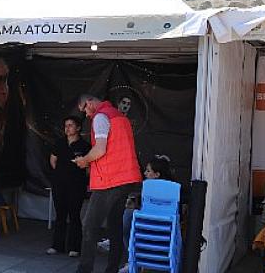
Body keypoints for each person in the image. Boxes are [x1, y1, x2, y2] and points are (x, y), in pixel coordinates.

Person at [73, 94, 143, 273]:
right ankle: (112, 269)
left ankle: (84, 270)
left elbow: (100, 149)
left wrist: (85, 160)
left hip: (110, 180)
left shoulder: (100, 117)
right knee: (115, 225)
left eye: (84, 110)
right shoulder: (120, 117)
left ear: (89, 103)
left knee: (89, 225)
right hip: (125, 179)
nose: (86, 115)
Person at [118, 155, 175, 273]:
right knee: (128, 214)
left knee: (128, 216)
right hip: (160, 225)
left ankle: (132, 259)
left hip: (154, 224)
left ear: (157, 174)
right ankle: (134, 259)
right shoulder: (170, 188)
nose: (145, 173)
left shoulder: (156, 188)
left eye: (148, 171)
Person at [47, 116, 91, 257]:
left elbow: (89, 167)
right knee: (60, 214)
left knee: (74, 215)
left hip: (76, 185)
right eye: (66, 125)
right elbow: (53, 160)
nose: (67, 128)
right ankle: (57, 245)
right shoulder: (59, 143)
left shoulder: (84, 146)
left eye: (71, 125)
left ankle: (75, 247)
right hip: (59, 184)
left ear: (78, 128)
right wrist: (60, 175)